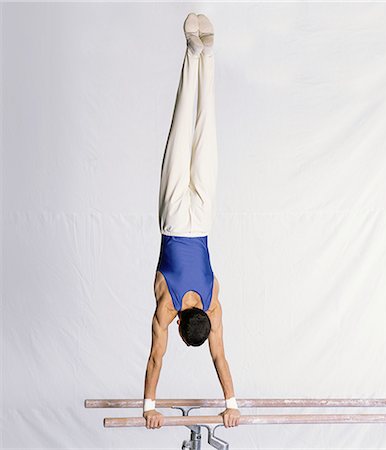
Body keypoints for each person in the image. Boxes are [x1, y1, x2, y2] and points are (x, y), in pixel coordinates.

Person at [142, 13, 241, 430]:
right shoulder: (165, 307)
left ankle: (207, 54)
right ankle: (192, 51)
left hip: (201, 220)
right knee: (182, 126)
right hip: (173, 218)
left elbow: (219, 355)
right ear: (180, 323)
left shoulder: (214, 300)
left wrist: (232, 401)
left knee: (204, 128)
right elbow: (155, 357)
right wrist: (149, 407)